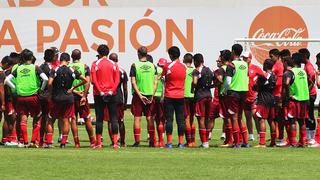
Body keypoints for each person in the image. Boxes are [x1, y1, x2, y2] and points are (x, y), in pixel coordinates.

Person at [5, 49, 48, 148]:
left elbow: (7, 80)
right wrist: (41, 89)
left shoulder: (18, 69)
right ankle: (33, 142)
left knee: (23, 119)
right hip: (33, 96)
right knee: (38, 118)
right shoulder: (35, 67)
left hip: (21, 97)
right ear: (31, 57)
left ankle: (24, 142)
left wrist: (15, 88)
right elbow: (45, 79)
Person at [47, 53, 87, 148]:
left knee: (50, 120)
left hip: (57, 98)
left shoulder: (55, 69)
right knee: (66, 120)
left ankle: (48, 142)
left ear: (60, 60)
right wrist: (73, 88)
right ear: (68, 61)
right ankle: (63, 143)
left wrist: (51, 93)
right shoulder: (71, 70)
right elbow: (85, 80)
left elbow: (49, 83)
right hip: (68, 98)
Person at [91, 44, 120, 149]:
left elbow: (94, 80)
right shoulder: (114, 64)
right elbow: (117, 80)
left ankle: (98, 143)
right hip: (112, 94)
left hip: (99, 94)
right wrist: (112, 91)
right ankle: (115, 143)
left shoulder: (95, 64)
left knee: (99, 118)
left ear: (98, 53)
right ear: (108, 53)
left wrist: (100, 91)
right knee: (113, 118)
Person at [222, 44, 249, 148]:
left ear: (233, 51)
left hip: (234, 93)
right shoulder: (245, 64)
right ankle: (245, 142)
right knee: (240, 117)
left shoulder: (231, 65)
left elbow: (228, 82)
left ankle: (237, 142)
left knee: (233, 117)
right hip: (244, 92)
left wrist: (224, 90)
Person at [130, 47, 158, 147]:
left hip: (138, 96)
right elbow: (156, 82)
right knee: (150, 118)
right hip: (150, 95)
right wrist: (152, 95)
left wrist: (140, 95)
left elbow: (133, 82)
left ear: (138, 54)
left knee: (137, 118)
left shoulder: (134, 65)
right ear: (146, 54)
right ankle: (151, 142)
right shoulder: (153, 66)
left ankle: (137, 141)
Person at [161, 46, 186, 148]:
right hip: (180, 95)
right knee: (180, 120)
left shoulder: (167, 66)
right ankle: (180, 143)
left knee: (169, 120)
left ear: (171, 55)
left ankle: (170, 142)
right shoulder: (184, 66)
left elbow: (162, 78)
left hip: (169, 96)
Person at [69, 49, 95, 147]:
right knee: (87, 118)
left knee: (73, 119)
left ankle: (77, 143)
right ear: (80, 57)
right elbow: (88, 82)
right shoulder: (85, 67)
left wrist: (74, 91)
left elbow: (66, 85)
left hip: (71, 96)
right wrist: (84, 95)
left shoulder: (68, 67)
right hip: (82, 97)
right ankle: (92, 142)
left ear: (71, 57)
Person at [284, 52, 309, 147]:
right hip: (304, 99)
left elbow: (286, 83)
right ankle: (302, 142)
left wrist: (289, 93)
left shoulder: (291, 72)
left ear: (293, 60)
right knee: (302, 121)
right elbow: (310, 82)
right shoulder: (303, 71)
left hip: (295, 100)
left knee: (292, 121)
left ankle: (293, 142)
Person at [192, 53, 214, 148]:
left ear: (196, 61)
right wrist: (209, 87)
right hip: (209, 95)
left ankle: (204, 143)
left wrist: (193, 87)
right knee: (207, 119)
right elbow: (218, 81)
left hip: (200, 96)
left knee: (201, 119)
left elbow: (195, 82)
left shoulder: (196, 70)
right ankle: (207, 142)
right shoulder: (209, 70)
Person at [253, 59, 276, 148]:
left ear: (266, 65)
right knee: (271, 121)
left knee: (261, 120)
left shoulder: (264, 75)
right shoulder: (274, 75)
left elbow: (255, 87)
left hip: (263, 99)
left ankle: (262, 143)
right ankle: (273, 142)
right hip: (271, 98)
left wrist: (256, 85)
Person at [242, 52, 264, 141]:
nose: (244, 59)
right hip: (245, 96)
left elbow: (263, 78)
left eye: (246, 58)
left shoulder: (255, 68)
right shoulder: (241, 68)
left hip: (253, 96)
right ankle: (251, 135)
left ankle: (259, 134)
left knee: (255, 116)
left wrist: (258, 87)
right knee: (247, 117)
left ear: (250, 58)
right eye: (243, 58)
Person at [109, 53, 128, 147]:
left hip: (109, 97)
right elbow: (125, 88)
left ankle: (113, 141)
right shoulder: (122, 71)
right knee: (120, 120)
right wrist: (126, 102)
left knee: (110, 120)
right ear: (117, 60)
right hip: (119, 98)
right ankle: (123, 142)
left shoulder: (107, 69)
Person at [299, 48, 317, 144]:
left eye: (300, 55)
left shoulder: (309, 66)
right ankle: (309, 137)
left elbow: (312, 79)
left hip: (310, 94)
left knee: (310, 115)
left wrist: (307, 91)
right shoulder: (306, 65)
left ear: (304, 56)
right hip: (309, 94)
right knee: (307, 115)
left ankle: (312, 138)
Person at [216, 50, 233, 147]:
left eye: (220, 56)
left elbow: (220, 79)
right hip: (232, 93)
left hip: (224, 95)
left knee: (227, 118)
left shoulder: (222, 68)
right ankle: (230, 139)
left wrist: (218, 80)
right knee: (233, 117)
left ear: (223, 57)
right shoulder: (231, 67)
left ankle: (229, 140)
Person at [39, 49, 55, 147]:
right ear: (53, 57)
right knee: (49, 118)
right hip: (48, 96)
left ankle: (40, 140)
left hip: (40, 95)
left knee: (41, 118)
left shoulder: (40, 67)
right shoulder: (52, 68)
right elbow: (51, 82)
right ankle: (47, 141)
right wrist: (51, 94)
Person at [269, 49, 284, 141]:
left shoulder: (278, 65)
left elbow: (278, 82)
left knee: (276, 117)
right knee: (276, 117)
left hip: (277, 94)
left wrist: (270, 85)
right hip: (276, 94)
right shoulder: (278, 65)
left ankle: (279, 136)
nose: (270, 58)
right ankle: (278, 135)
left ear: (276, 56)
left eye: (271, 56)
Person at [153, 58, 167, 147]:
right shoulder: (165, 71)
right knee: (163, 119)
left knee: (155, 118)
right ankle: (162, 138)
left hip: (154, 96)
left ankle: (155, 139)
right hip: (163, 97)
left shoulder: (155, 70)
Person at [183, 53, 196, 147]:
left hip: (185, 96)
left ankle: (189, 142)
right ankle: (193, 141)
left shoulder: (183, 70)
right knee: (192, 118)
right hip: (194, 96)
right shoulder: (195, 70)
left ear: (184, 60)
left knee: (186, 119)